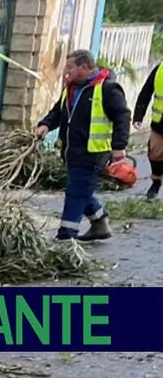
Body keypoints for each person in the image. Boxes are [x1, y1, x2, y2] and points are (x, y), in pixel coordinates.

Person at [36, 49, 131, 241]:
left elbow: (123, 116)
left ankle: (66, 235)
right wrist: (45, 124)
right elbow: (58, 112)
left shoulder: (108, 89)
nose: (66, 71)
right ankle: (100, 223)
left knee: (75, 192)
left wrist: (119, 146)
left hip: (93, 153)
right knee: (81, 189)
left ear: (84, 67)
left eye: (70, 67)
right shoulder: (70, 89)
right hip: (72, 152)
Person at [132, 60, 163, 199]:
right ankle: (156, 182)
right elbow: (146, 91)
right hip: (160, 123)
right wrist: (138, 115)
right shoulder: (160, 69)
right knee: (154, 154)